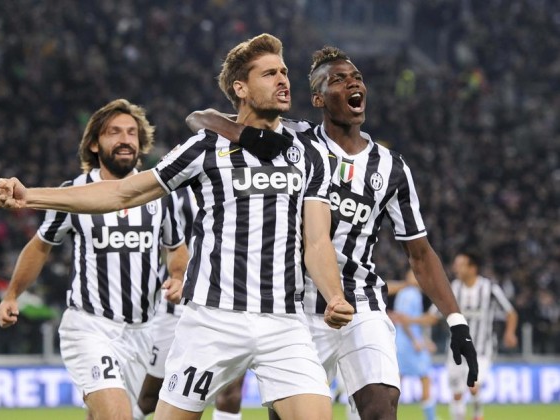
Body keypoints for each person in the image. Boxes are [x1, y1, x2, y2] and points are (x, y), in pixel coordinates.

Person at [0, 33, 354, 420]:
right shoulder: (205, 148)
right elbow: (122, 193)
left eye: (283, 72)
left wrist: (333, 294)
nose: (283, 80)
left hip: (284, 321)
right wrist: (30, 196)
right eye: (269, 74)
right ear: (240, 88)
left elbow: (316, 240)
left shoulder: (309, 152)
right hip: (212, 321)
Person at [185, 45, 478, 420]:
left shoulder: (391, 167)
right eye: (338, 79)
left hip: (361, 303)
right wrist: (251, 138)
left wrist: (456, 321)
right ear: (318, 98)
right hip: (297, 307)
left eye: (356, 77)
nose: (353, 83)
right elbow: (200, 118)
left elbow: (420, 254)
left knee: (380, 408)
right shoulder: (296, 139)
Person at [0, 98, 190, 420]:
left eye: (132, 132)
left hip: (143, 332)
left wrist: (178, 276)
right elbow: (41, 245)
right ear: (95, 144)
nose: (125, 139)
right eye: (115, 132)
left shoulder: (159, 195)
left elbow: (176, 246)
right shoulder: (75, 192)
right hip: (91, 326)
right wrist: (12, 295)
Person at [136, 187, 246, 420]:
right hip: (175, 306)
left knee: (231, 394)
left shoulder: (237, 180)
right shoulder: (172, 188)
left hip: (227, 302)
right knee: (149, 397)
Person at [421, 251, 518, 420]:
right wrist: (409, 320)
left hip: (481, 349)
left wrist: (510, 333)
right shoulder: (452, 288)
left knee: (473, 386)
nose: (455, 268)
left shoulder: (489, 288)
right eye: (456, 264)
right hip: (456, 351)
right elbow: (432, 316)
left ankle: (478, 414)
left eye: (460, 264)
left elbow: (511, 313)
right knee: (457, 394)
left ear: (473, 268)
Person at [390, 269, 437, 420]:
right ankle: (431, 418)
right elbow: (404, 320)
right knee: (424, 379)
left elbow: (405, 319)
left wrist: (425, 340)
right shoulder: (411, 294)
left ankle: (388, 415)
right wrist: (416, 341)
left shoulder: (403, 293)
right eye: (414, 275)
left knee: (397, 382)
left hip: (401, 342)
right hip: (408, 343)